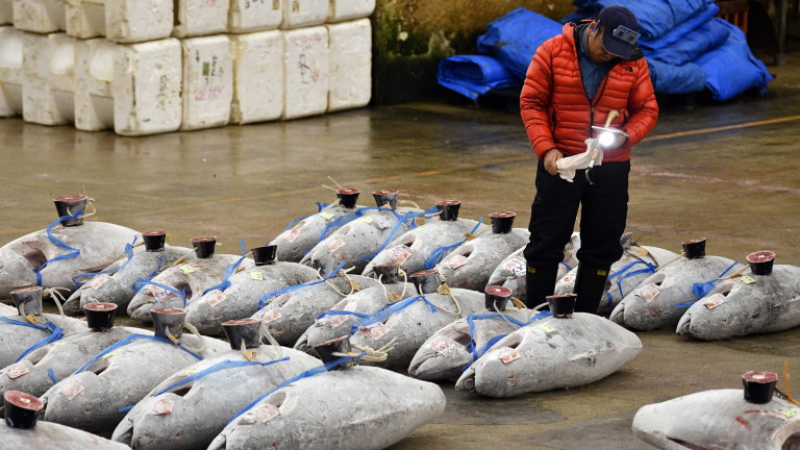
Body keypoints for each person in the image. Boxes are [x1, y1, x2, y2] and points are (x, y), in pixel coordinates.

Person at [520, 5, 659, 313]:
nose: (611, 55)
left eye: (618, 51)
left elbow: (647, 109)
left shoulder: (633, 63)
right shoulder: (553, 52)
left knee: (602, 246)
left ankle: (583, 318)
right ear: (594, 29)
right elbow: (532, 101)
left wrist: (626, 135)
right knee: (545, 242)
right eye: (607, 47)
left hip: (610, 167)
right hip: (562, 164)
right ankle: (535, 318)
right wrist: (546, 148)